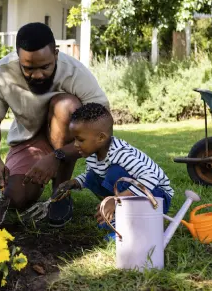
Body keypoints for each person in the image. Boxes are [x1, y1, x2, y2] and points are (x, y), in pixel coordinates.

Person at [0, 22, 109, 228]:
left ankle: (61, 192)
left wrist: (57, 156)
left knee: (66, 104)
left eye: (45, 67)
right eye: (29, 68)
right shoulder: (2, 73)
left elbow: (102, 122)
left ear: (56, 54)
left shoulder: (75, 72)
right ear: (18, 57)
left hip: (65, 133)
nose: (37, 75)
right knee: (16, 199)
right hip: (28, 140)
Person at [56, 102, 174, 238]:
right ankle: (123, 217)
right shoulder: (92, 154)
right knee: (91, 176)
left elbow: (151, 178)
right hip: (137, 194)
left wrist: (116, 200)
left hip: (157, 197)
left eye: (80, 140)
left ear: (101, 137)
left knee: (115, 172)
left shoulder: (121, 154)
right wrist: (74, 182)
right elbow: (95, 172)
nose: (75, 145)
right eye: (74, 139)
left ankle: (137, 225)